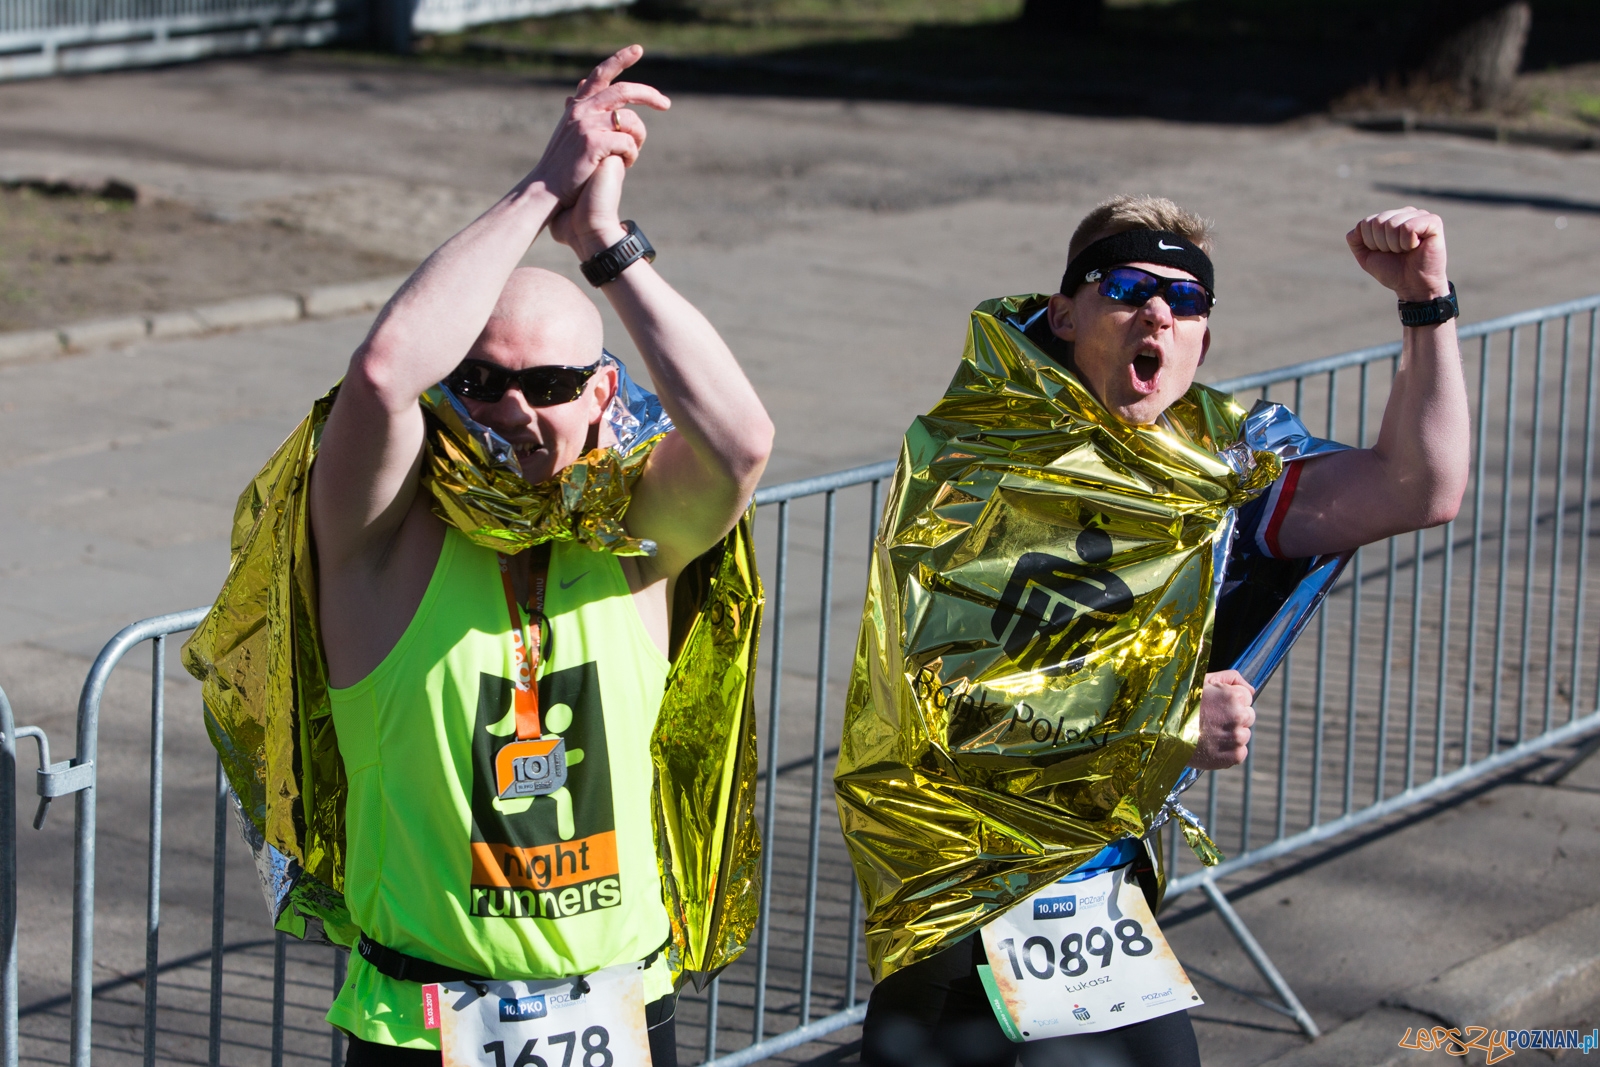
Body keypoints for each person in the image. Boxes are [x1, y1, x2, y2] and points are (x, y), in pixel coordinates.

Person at [841, 194, 1469, 1067]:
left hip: (1101, 903)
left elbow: (1420, 488)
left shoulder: (1223, 470)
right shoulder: (973, 457)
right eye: (1129, 285)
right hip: (962, 905)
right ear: (1064, 312)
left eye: (1189, 301)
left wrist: (1426, 303)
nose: (1160, 313)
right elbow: (940, 706)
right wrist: (1167, 715)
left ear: (1202, 343)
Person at [307, 46, 773, 1063]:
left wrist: (604, 239)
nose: (513, 411)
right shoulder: (380, 542)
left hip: (618, 1009)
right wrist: (540, 188)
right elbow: (383, 371)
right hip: (424, 1019)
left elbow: (740, 441)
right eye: (479, 378)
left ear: (605, 393)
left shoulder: (633, 539)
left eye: (553, 382)